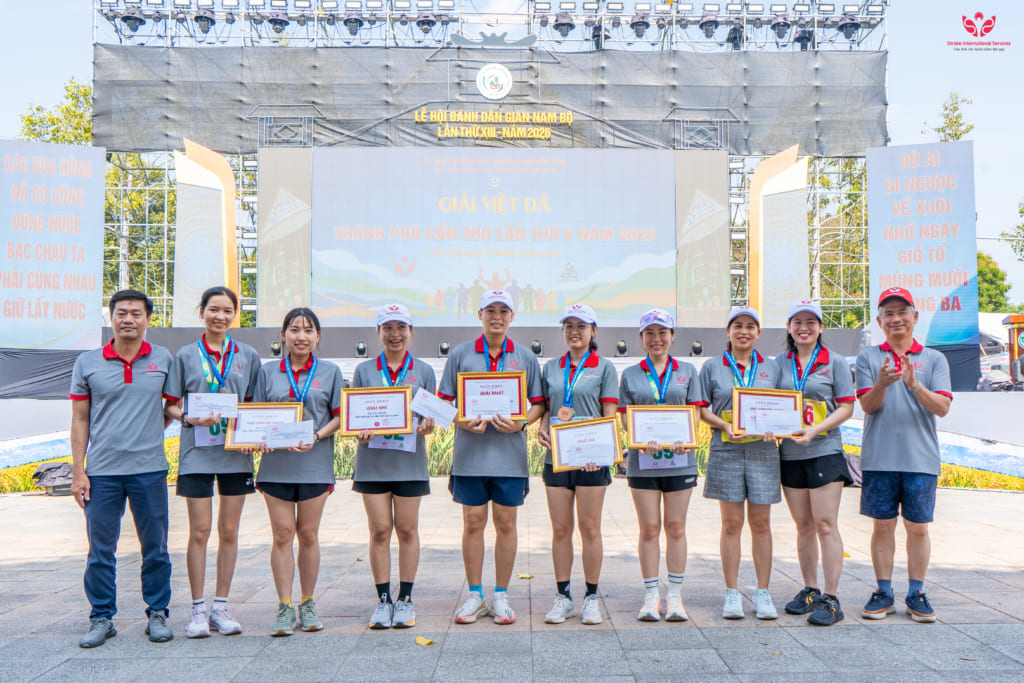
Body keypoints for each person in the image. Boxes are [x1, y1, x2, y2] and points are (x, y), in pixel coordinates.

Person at [70, 289, 175, 648]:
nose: (128, 319)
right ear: (111, 317)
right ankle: (102, 617)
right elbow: (80, 419)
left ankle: (157, 613)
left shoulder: (163, 359)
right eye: (122, 313)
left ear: (148, 319)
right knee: (100, 550)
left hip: (149, 469)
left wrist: (151, 429)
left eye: (136, 313)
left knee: (156, 547)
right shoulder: (88, 363)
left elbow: (171, 407)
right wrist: (78, 471)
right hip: (101, 472)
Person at [437, 290, 545, 625]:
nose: (496, 317)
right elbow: (443, 403)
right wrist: (461, 420)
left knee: (506, 524)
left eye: (503, 311)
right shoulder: (461, 354)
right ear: (479, 315)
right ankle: (474, 595)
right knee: (472, 523)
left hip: (509, 458)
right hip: (470, 457)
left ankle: (500, 596)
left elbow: (538, 403)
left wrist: (521, 423)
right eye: (490, 311)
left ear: (512, 316)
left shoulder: (525, 357)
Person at [162, 286, 262, 638]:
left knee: (229, 531)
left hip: (235, 455)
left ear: (235, 314)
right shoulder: (185, 355)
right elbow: (170, 405)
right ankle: (197, 609)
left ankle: (220, 607)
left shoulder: (247, 355)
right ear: (201, 311)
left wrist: (252, 436)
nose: (220, 316)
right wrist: (189, 418)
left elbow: (254, 405)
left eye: (227, 310)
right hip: (197, 455)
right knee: (200, 531)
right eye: (213, 309)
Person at [855, 287, 951, 623]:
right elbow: (868, 406)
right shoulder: (869, 358)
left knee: (918, 528)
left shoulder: (934, 359)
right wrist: (882, 383)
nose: (896, 319)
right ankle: (883, 592)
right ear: (880, 321)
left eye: (902, 312)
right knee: (882, 526)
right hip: (879, 458)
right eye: (889, 313)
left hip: (920, 459)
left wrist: (914, 384)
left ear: (915, 316)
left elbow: (942, 408)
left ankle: (916, 593)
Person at [249, 308, 343, 636]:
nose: (301, 336)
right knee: (281, 534)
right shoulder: (267, 373)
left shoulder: (330, 372)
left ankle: (308, 602)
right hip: (276, 467)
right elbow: (255, 415)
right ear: (283, 335)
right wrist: (255, 439)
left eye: (308, 330)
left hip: (315, 465)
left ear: (317, 336)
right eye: (294, 329)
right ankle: (284, 606)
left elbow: (339, 416)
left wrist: (316, 436)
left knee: (308, 535)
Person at [350, 304, 437, 630]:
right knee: (379, 530)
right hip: (373, 463)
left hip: (409, 462)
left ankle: (406, 599)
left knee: (407, 530)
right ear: (379, 333)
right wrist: (359, 430)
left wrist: (428, 424)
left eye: (401, 327)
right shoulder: (364, 371)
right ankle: (383, 600)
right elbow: (355, 414)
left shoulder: (423, 370)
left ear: (410, 332)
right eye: (388, 328)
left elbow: (431, 414)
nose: (395, 334)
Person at [618, 309, 704, 622]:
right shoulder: (630, 374)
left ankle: (676, 597)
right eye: (650, 333)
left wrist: (687, 437)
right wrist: (639, 439)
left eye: (662, 332)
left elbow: (695, 412)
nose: (656, 339)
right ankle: (651, 596)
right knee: (650, 528)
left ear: (672, 336)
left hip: (680, 461)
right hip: (643, 461)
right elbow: (625, 416)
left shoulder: (687, 371)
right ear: (641, 338)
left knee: (676, 527)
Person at [698, 306, 783, 620]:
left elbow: (783, 406)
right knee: (731, 524)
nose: (743, 332)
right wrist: (723, 425)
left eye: (750, 326)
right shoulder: (711, 366)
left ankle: (763, 592)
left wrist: (776, 426)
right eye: (737, 326)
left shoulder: (772, 367)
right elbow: (701, 408)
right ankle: (732, 592)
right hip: (727, 449)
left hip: (763, 451)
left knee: (761, 524)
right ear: (728, 331)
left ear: (758, 333)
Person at [536, 304, 619, 625]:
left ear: (593, 331)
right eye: (568, 326)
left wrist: (600, 453)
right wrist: (543, 426)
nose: (574, 332)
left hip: (591, 461)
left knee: (589, 528)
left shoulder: (605, 368)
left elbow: (609, 416)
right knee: (560, 529)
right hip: (557, 458)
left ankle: (592, 597)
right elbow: (548, 408)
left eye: (581, 326)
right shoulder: (551, 367)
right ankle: (563, 597)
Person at [775, 300, 855, 626]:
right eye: (797, 322)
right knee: (804, 526)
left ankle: (832, 598)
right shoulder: (778, 364)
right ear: (789, 327)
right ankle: (810, 589)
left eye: (811, 322)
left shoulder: (834, 362)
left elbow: (847, 407)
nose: (804, 327)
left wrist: (815, 429)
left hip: (824, 450)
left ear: (821, 327)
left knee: (825, 524)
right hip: (790, 454)